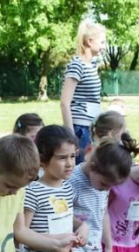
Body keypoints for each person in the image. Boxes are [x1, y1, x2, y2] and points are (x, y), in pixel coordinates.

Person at [60, 20, 106, 163]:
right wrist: (71, 136)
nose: (104, 46)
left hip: (90, 128)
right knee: (78, 172)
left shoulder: (91, 66)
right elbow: (64, 103)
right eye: (102, 42)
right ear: (90, 41)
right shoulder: (77, 65)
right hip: (79, 130)